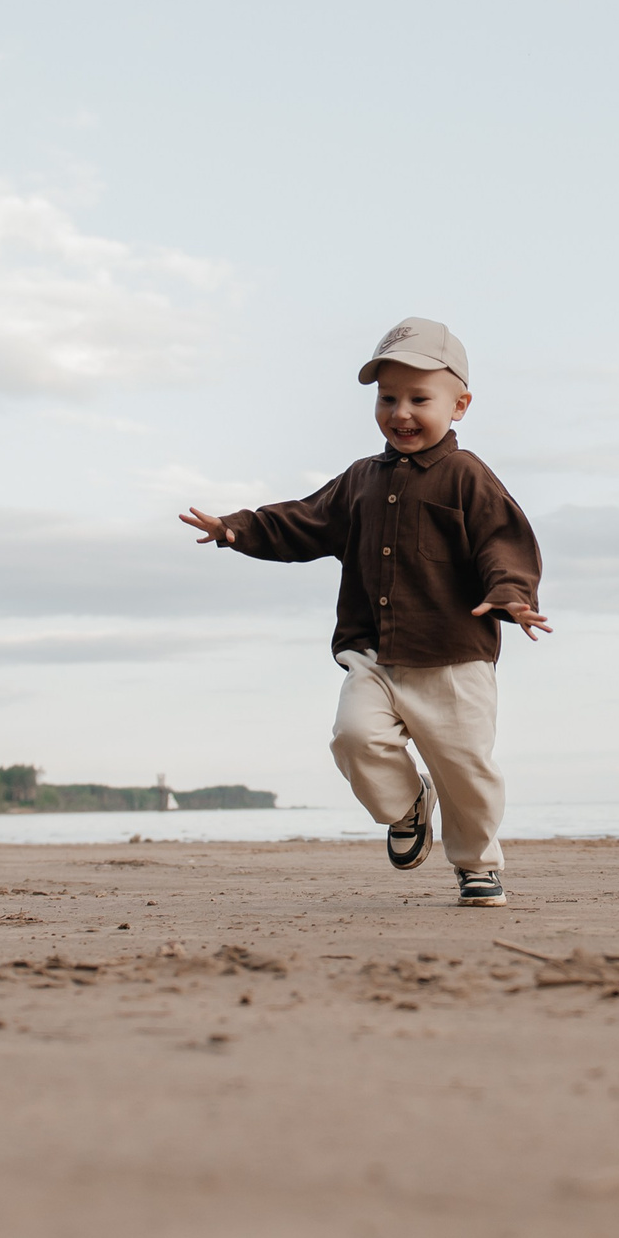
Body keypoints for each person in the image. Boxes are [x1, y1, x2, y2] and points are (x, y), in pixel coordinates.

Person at [179, 318, 549, 907]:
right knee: (354, 737)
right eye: (388, 398)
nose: (401, 412)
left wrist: (510, 594)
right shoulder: (361, 480)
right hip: (374, 654)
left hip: (452, 658)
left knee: (466, 772)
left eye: (419, 399)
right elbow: (303, 520)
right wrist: (235, 529)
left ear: (460, 405)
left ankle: (477, 864)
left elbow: (501, 541)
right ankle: (405, 807)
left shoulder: (467, 476)